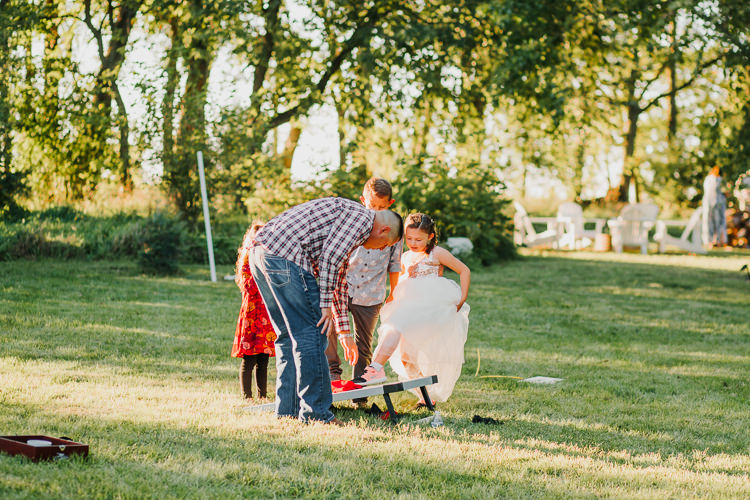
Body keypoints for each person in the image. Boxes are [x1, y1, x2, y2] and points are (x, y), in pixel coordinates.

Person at [248, 197, 403, 424]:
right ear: (384, 230)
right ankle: (316, 413)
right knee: (312, 334)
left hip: (261, 254)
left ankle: (287, 411)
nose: (381, 249)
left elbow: (338, 277)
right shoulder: (362, 219)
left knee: (288, 338)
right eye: (385, 245)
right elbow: (330, 259)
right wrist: (324, 306)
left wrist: (344, 332)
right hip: (286, 257)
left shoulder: (350, 220)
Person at [353, 213, 470, 403]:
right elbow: (403, 284)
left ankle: (375, 367)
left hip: (431, 306)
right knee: (406, 357)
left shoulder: (437, 253)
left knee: (396, 325)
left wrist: (462, 296)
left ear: (430, 237)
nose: (413, 243)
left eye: (418, 239)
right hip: (410, 305)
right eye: (409, 239)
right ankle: (425, 398)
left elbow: (464, 270)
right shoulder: (406, 256)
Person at [325, 178, 402, 408]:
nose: (376, 211)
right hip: (343, 285)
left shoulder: (393, 227)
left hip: (371, 293)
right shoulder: (353, 222)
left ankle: (359, 393)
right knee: (331, 331)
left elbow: (395, 264)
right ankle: (332, 380)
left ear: (390, 203)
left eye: (381, 207)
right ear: (362, 201)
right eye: (371, 206)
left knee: (363, 343)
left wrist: (393, 292)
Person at [231, 222, 276, 400]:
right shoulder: (247, 260)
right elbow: (250, 286)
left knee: (264, 360)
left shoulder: (269, 259)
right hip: (252, 315)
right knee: (249, 359)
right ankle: (246, 395)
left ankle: (263, 395)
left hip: (265, 315)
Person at [702, 165, 728, 248]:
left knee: (716, 222)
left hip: (715, 204)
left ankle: (716, 241)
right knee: (712, 222)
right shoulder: (712, 180)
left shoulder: (717, 180)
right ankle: (712, 241)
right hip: (713, 204)